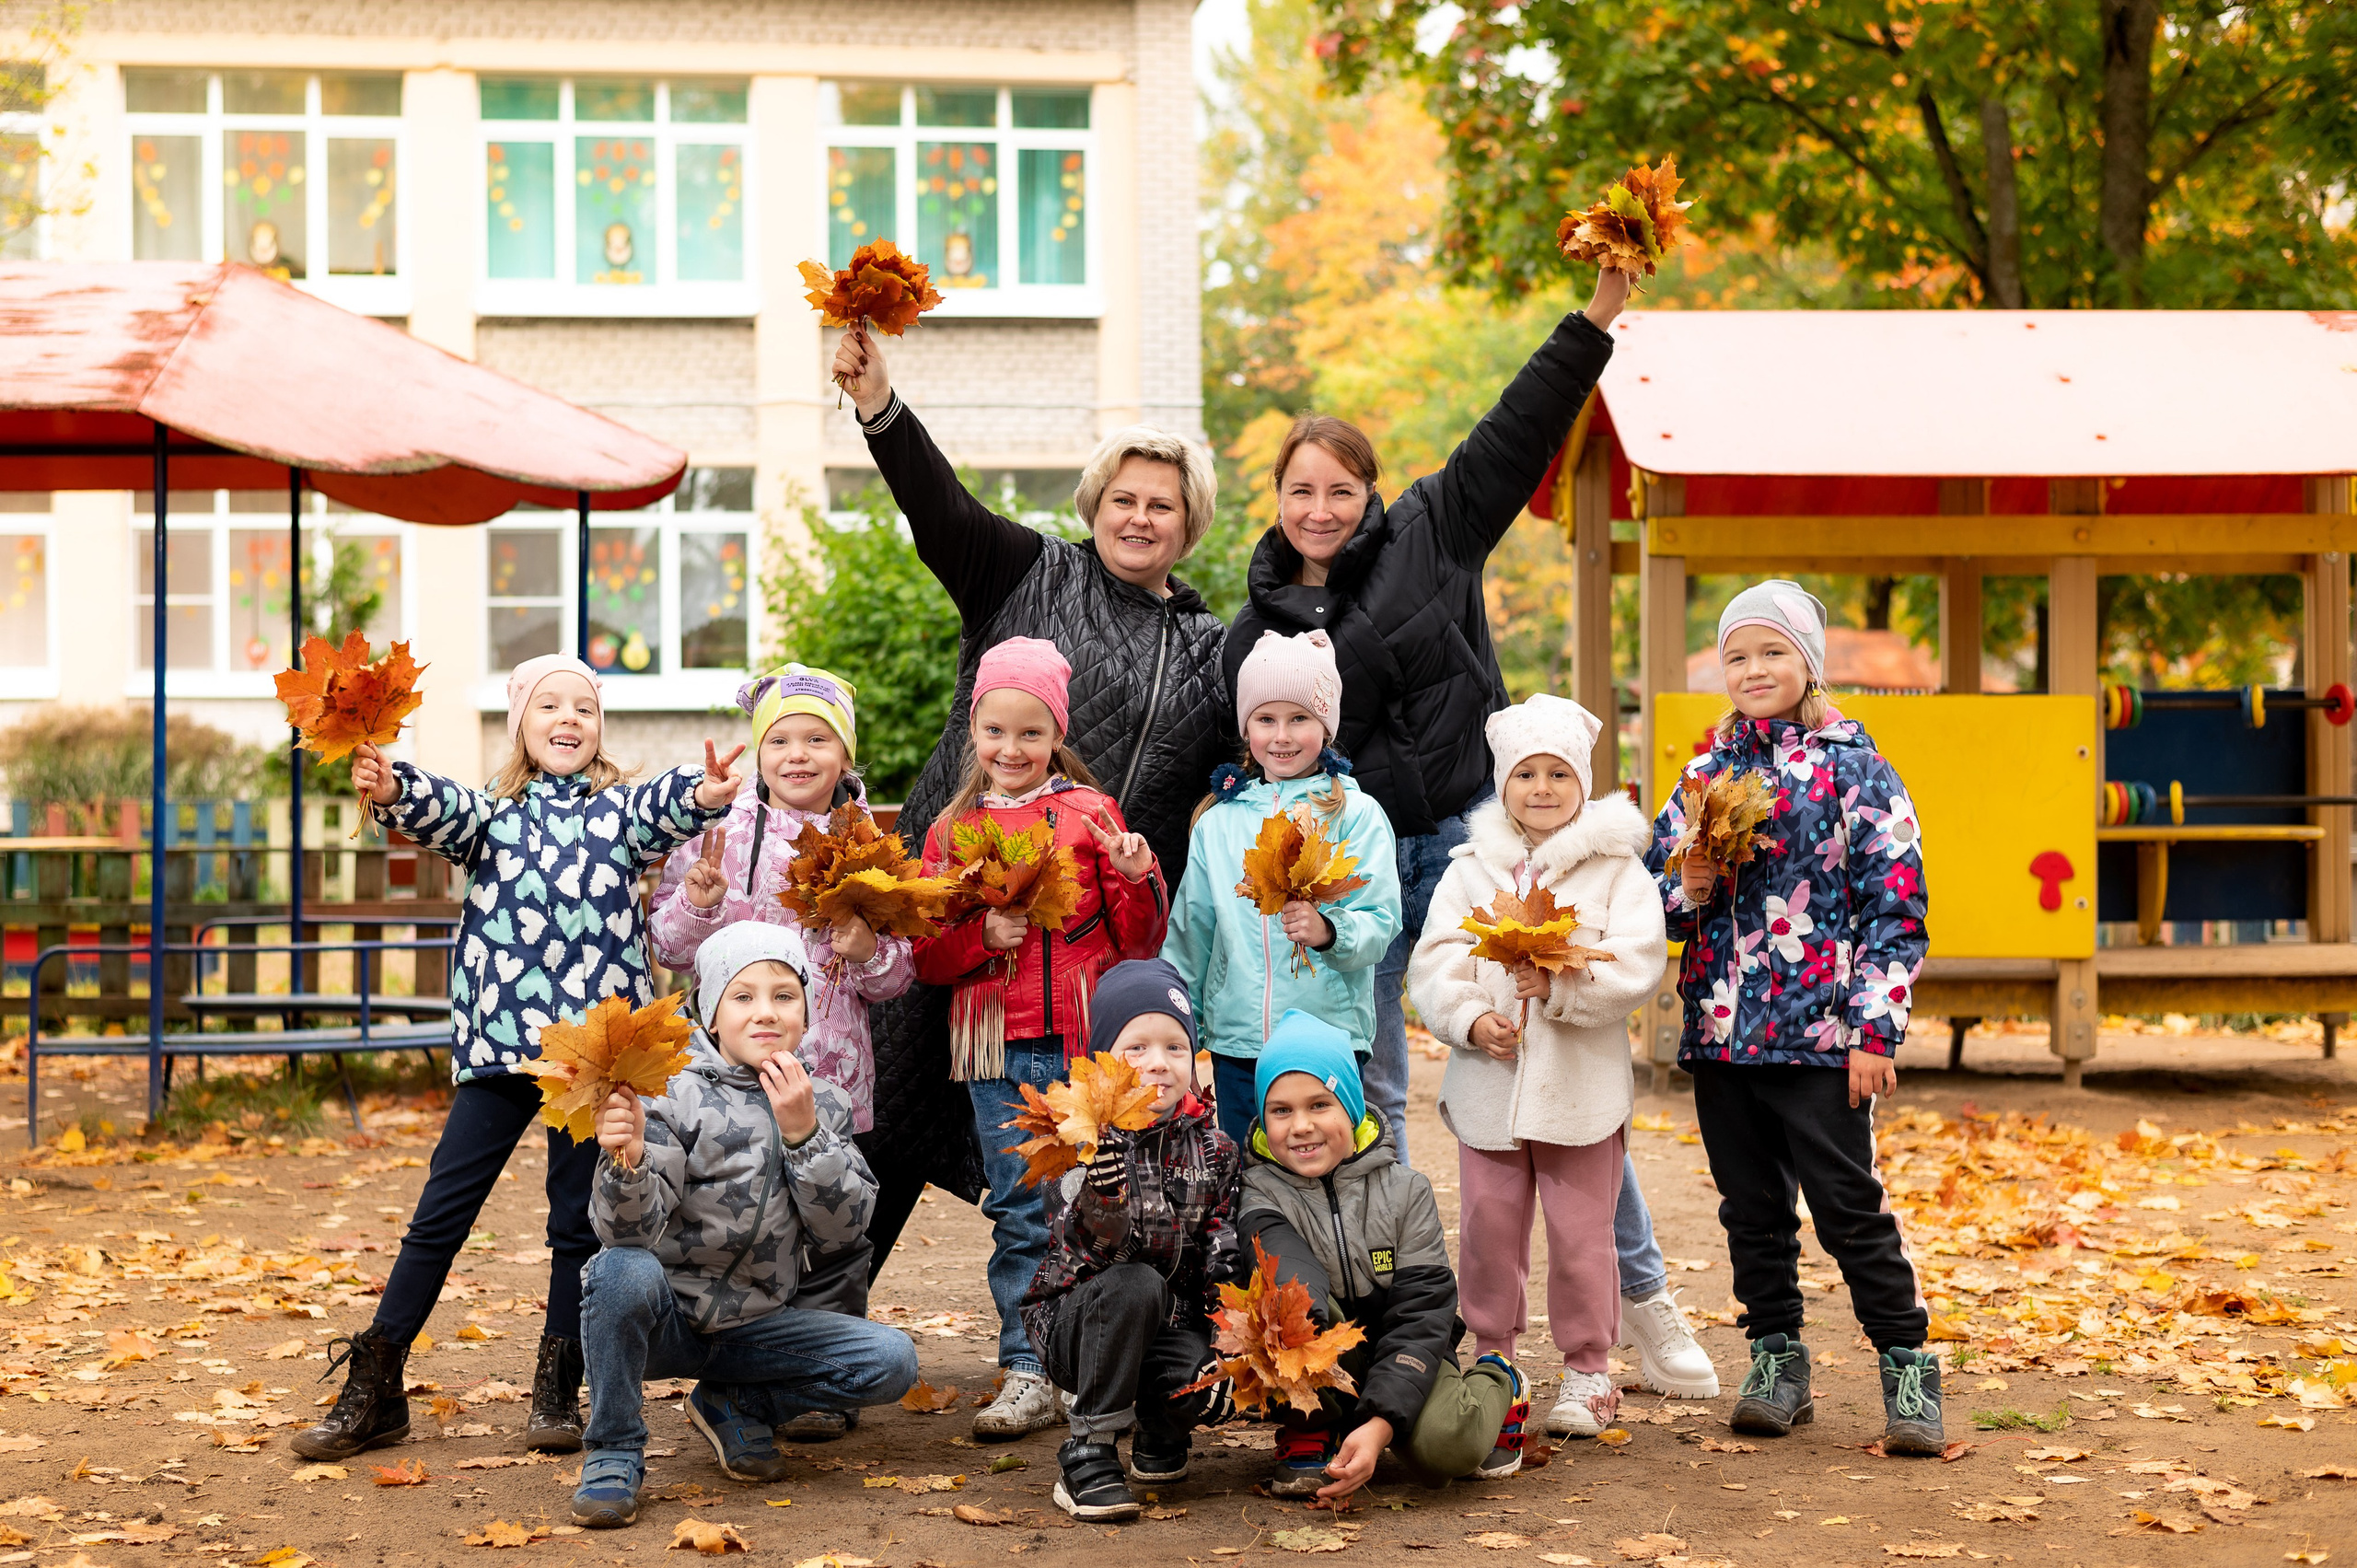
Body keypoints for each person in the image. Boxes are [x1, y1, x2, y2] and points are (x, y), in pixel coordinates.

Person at [831, 325, 1235, 1283]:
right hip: (949, 901)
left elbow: (1246, 761)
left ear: (1189, 524)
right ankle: (820, 1329)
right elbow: (939, 508)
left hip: (1076, 961)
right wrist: (879, 407)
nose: (1139, 518)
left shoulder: (1209, 650)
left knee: (1059, 1167)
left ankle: (1058, 1338)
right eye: (1124, 498)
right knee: (886, 1119)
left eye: (1163, 505)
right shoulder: (1028, 571)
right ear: (1095, 503)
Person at [1223, 267, 1632, 1168]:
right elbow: (1240, 764)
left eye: (1340, 490)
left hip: (1467, 834)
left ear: (1369, 491)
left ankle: (1624, 1253)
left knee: (1540, 1048)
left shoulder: (1434, 527)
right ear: (1277, 498)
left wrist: (1596, 315)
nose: (1320, 510)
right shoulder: (1255, 632)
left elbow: (1517, 426)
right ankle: (1389, 1239)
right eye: (1300, 491)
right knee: (1364, 1072)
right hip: (1348, 859)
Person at [294, 655, 739, 1462]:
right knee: (442, 1211)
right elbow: (437, 804)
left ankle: (558, 1383)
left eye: (584, 708)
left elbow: (667, 805)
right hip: (502, 1046)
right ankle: (379, 1376)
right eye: (549, 706)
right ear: (521, 726)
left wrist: (704, 794)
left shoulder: (620, 815)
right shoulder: (491, 817)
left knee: (576, 1220)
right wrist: (392, 785)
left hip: (592, 1060)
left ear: (600, 728)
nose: (568, 718)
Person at [1643, 580, 1940, 1454]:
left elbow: (1896, 905)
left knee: (1848, 1205)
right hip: (1725, 1034)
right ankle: (1776, 1357)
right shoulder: (1704, 777)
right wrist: (1684, 888)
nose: (1754, 669)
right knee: (1751, 1209)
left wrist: (1874, 1030)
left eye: (1772, 651)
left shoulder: (1857, 770)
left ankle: (1907, 1362)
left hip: (1824, 1041)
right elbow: (1654, 898)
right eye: (1737, 655)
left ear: (1808, 661)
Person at [570, 924, 921, 1527]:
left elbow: (843, 1230)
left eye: (784, 996)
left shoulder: (824, 1102)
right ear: (711, 1014)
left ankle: (736, 1402)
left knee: (893, 1360)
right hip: (668, 1323)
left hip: (760, 1330)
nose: (766, 1012)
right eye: (743, 996)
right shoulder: (669, 1094)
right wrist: (628, 1160)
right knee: (618, 1270)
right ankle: (614, 1449)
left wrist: (805, 1134)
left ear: (806, 1015)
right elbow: (627, 1234)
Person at [1409, 694, 1688, 1437]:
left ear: (1583, 782)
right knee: (1488, 1231)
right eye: (1525, 773)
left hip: (1581, 1093)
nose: (1542, 788)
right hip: (1489, 1088)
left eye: (1559, 773)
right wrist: (1471, 1018)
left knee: (1581, 1236)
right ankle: (1494, 1359)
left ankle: (1589, 1368)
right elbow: (1435, 960)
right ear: (1503, 783)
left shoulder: (1616, 871)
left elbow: (1638, 960)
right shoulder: (1469, 871)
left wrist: (1563, 985)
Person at [913, 637, 1170, 1439]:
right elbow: (925, 954)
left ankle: (1094, 1365)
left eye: (1031, 732)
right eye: (996, 730)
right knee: (1022, 1208)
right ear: (974, 731)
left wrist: (1135, 874)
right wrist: (982, 936)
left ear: (1058, 733)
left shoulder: (1093, 814)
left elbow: (1140, 941)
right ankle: (1027, 1366)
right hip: (995, 1044)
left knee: (1098, 1197)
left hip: (1084, 1041)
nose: (1012, 748)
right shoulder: (952, 830)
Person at [647, 664, 913, 1426]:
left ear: (845, 754)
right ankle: (739, 1362)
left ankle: (810, 1382)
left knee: (831, 1233)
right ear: (760, 751)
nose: (798, 754)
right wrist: (698, 905)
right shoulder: (719, 834)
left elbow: (899, 975)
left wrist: (868, 950)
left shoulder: (868, 844)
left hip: (830, 1077)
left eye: (817, 739)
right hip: (726, 1085)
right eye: (781, 740)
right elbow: (670, 947)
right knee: (745, 1216)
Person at [1238, 1011, 1531, 1498]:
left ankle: (1500, 1380)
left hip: (1406, 1350)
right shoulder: (1257, 1192)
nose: (1301, 1126)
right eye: (1281, 1110)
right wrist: (1302, 1371)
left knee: (1447, 1450)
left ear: (1352, 1107)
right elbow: (1290, 1275)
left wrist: (1379, 1426)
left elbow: (1423, 1312)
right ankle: (1313, 1425)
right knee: (1288, 1309)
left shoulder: (1407, 1191)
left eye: (1319, 1105)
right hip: (1328, 1356)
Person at [1019, 958, 1240, 1523]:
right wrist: (1105, 1198)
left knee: (1200, 1374)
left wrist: (1229, 1341)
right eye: (1136, 1048)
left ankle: (1160, 1427)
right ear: (1103, 1062)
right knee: (1134, 1284)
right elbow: (1088, 1251)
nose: (1158, 1063)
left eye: (1175, 1047)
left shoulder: (1215, 1149)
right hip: (1080, 1323)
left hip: (1171, 1321)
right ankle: (1089, 1448)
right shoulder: (1077, 1142)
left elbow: (1221, 1249)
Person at [1163, 628, 1400, 1149]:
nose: (1282, 736)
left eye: (1300, 719)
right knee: (1246, 1167)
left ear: (1326, 727)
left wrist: (1329, 932)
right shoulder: (1219, 822)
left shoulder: (1356, 814)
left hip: (1327, 1036)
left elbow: (1381, 920)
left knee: (1320, 1162)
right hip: (1239, 1041)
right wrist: (1178, 1026)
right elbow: (1192, 931)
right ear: (1246, 727)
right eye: (1266, 719)